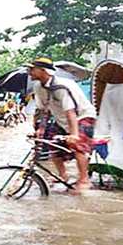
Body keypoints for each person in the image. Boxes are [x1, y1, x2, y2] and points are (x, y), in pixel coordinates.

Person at [28, 57, 96, 194]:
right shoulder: (38, 87)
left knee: (78, 146)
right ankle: (63, 175)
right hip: (61, 119)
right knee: (51, 143)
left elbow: (70, 111)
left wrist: (74, 135)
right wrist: (41, 129)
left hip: (82, 116)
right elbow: (43, 110)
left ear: (43, 71)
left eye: (32, 69)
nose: (29, 72)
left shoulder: (62, 86)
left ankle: (84, 180)